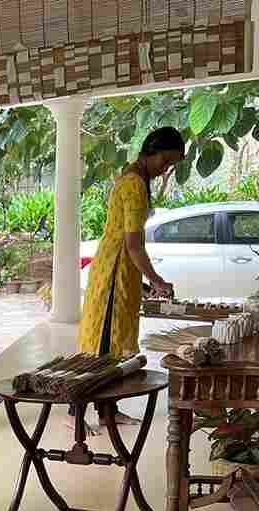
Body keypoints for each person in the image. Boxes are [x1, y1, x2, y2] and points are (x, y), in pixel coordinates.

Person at [72, 126, 186, 436]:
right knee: (100, 347)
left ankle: (109, 411)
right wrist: (159, 282)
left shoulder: (130, 177)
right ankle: (75, 411)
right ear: (153, 151)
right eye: (166, 161)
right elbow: (134, 244)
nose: (166, 169)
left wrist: (146, 284)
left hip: (118, 270)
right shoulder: (134, 183)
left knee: (110, 347)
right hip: (113, 275)